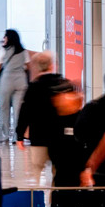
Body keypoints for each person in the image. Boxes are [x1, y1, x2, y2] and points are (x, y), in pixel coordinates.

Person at [14, 51, 79, 180]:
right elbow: (74, 112)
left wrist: (20, 135)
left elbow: (25, 112)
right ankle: (55, 198)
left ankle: (37, 197)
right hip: (61, 138)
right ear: (52, 65)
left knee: (36, 171)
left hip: (38, 137)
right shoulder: (65, 84)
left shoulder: (33, 87)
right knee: (59, 172)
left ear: (37, 67)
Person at [0, 30, 31, 143]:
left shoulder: (3, 50)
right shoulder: (23, 51)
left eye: (5, 36)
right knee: (18, 110)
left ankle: (6, 134)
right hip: (21, 81)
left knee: (4, 108)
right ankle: (17, 136)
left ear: (9, 38)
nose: (4, 38)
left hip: (6, 80)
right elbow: (28, 66)